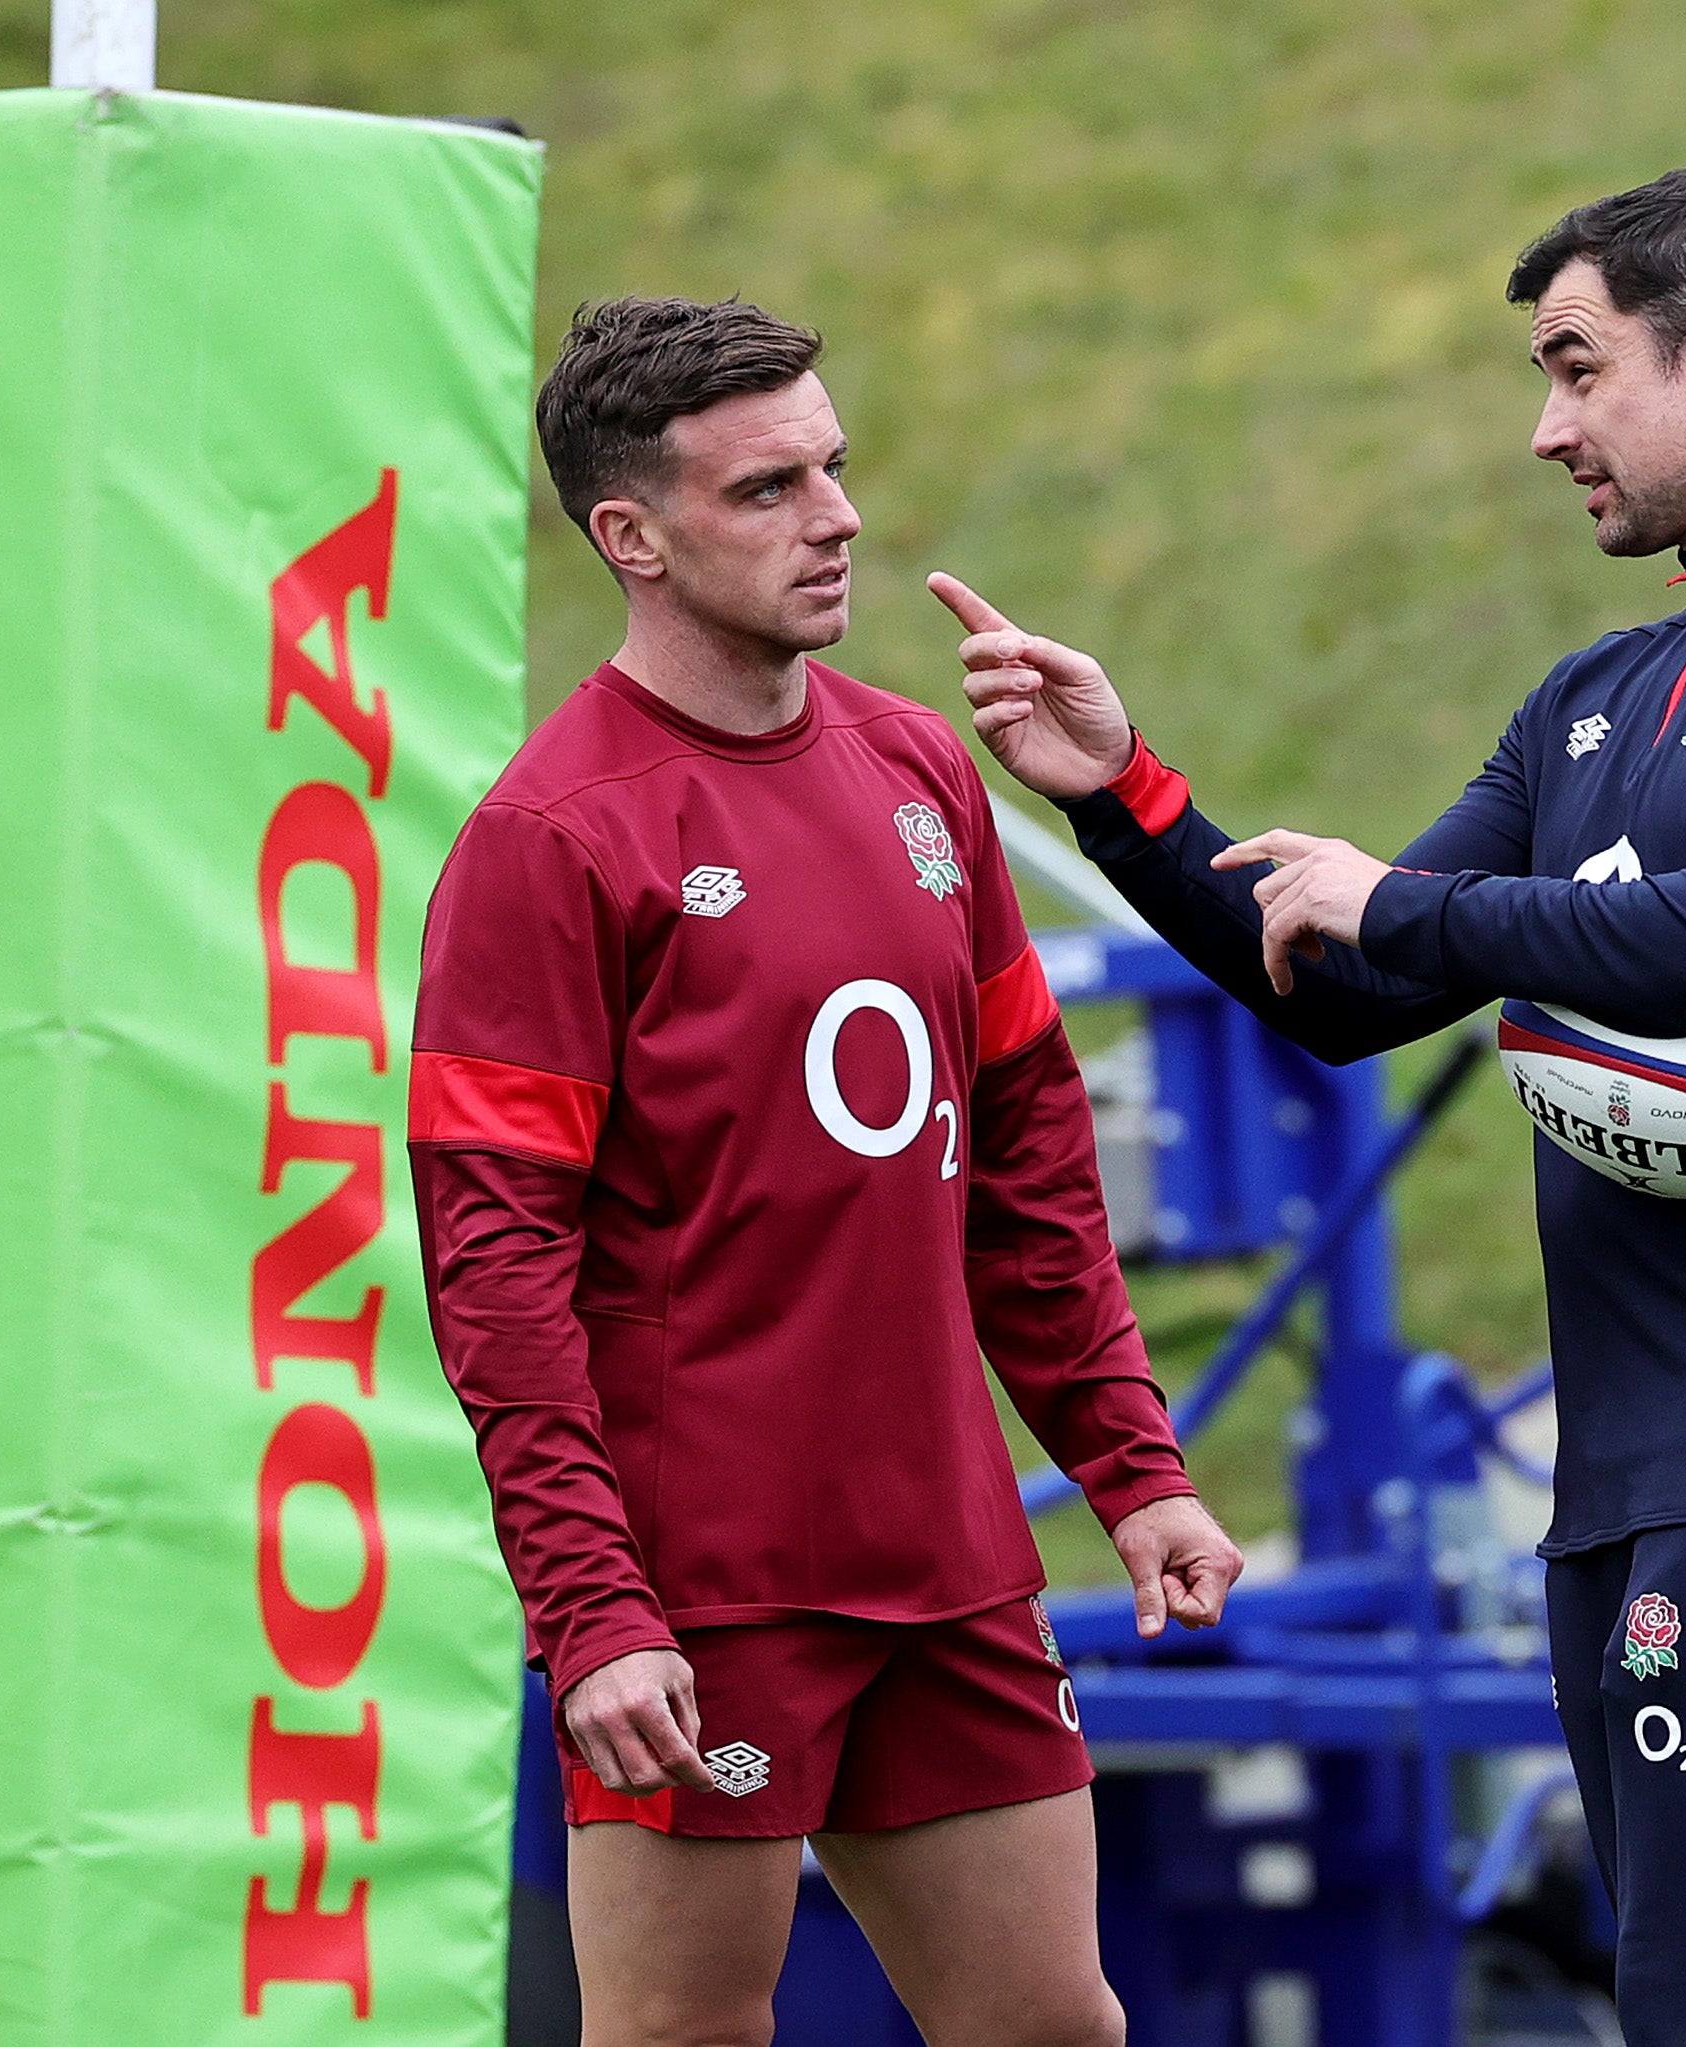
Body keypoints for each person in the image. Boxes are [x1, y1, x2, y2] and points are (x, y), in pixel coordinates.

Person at [934, 170, 1686, 2046]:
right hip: (1636, 1469)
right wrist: (1123, 800)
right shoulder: (1602, 692)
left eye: (1578, 369)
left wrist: (1417, 904)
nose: (1548, 428)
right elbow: (1349, 988)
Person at [410, 294, 1244, 2047]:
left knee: (1057, 2028)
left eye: (836, 469)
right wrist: (593, 1607)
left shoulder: (923, 767)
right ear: (630, 536)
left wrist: (1134, 1469)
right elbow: (497, 1277)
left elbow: (1027, 1167)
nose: (839, 515)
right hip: (703, 1590)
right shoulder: (550, 842)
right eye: (769, 488)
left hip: (951, 1560)